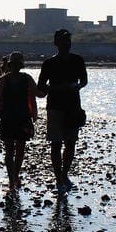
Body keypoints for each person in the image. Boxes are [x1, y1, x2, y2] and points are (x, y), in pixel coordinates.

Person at [36, 29, 88, 193]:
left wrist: (77, 86)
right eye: (63, 41)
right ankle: (58, 178)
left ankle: (65, 174)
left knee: (71, 143)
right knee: (56, 143)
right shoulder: (49, 63)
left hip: (73, 107)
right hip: (55, 107)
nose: (66, 44)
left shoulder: (78, 60)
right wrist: (55, 88)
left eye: (68, 41)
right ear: (56, 43)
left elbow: (84, 80)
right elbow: (41, 86)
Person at [0, 52, 37, 190]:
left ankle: (13, 178)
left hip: (13, 118)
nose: (16, 66)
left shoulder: (5, 80)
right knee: (15, 150)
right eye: (15, 64)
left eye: (17, 64)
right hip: (17, 118)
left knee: (12, 151)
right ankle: (13, 177)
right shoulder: (24, 79)